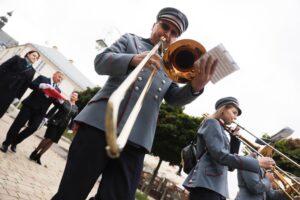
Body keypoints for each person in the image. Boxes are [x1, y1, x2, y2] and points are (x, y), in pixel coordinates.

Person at [52, 7, 218, 200]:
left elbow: (173, 99)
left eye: (174, 33)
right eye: (165, 27)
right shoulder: (130, 40)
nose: (168, 34)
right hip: (99, 124)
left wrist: (195, 87)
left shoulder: (172, 64)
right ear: (154, 25)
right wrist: (132, 59)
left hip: (137, 139)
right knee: (71, 192)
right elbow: (101, 62)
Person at [183, 97, 276, 200]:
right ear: (223, 109)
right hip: (206, 185)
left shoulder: (219, 129)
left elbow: (230, 167)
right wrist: (256, 162)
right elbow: (221, 156)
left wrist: (234, 140)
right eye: (234, 112)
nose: (235, 118)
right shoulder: (212, 123)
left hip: (216, 187)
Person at [0, 71, 64, 153]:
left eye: (61, 79)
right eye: (59, 77)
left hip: (41, 112)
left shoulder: (58, 90)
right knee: (18, 124)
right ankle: (6, 143)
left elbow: (55, 103)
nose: (60, 79)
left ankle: (15, 142)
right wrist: (40, 86)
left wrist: (60, 102)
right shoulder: (42, 78)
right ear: (54, 74)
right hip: (29, 106)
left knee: (33, 128)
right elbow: (31, 85)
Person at [29, 91, 79, 165]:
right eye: (73, 94)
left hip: (62, 126)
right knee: (48, 138)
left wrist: (71, 128)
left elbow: (73, 119)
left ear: (77, 99)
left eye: (75, 95)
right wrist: (47, 117)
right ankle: (35, 152)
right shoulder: (64, 102)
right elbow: (54, 109)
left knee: (52, 141)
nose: (73, 96)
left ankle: (39, 156)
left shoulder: (76, 108)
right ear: (71, 95)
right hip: (55, 122)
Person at [0, 50, 40, 118]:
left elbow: (25, 85)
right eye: (34, 55)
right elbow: (2, 68)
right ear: (28, 54)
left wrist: (18, 97)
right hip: (2, 85)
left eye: (36, 58)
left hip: (12, 93)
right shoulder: (17, 59)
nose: (35, 58)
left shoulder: (32, 71)